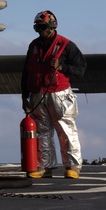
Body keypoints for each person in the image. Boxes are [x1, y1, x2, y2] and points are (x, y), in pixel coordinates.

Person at [21, 10, 86, 179]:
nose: (40, 31)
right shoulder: (33, 46)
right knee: (41, 132)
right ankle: (44, 166)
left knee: (66, 130)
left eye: (42, 27)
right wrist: (24, 96)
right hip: (37, 95)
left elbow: (80, 69)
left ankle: (73, 166)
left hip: (60, 95)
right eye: (37, 28)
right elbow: (26, 72)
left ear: (51, 26)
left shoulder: (66, 45)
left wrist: (63, 67)